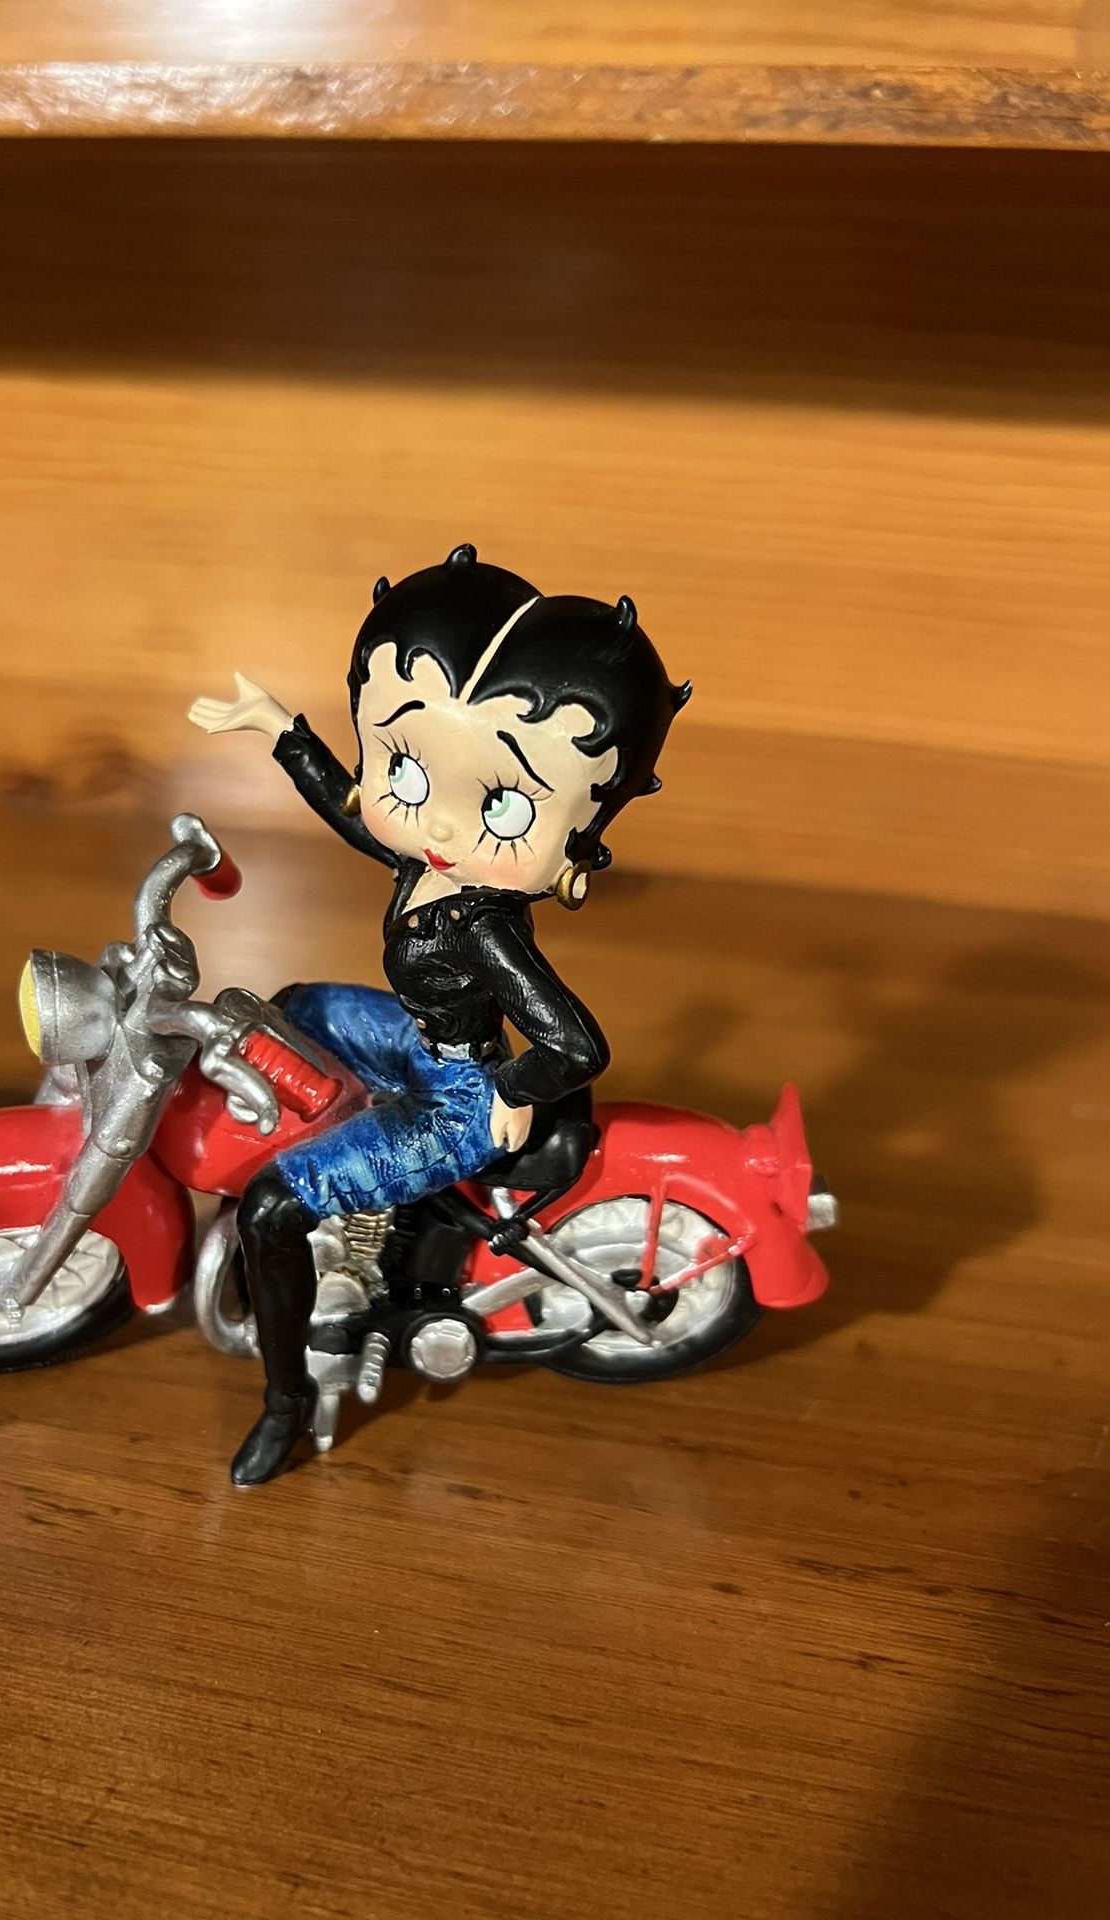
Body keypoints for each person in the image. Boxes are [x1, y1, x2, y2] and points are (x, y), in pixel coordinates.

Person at [189, 544, 689, 1483]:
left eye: (504, 805)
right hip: (420, 1046)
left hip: (458, 1098)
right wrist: (282, 730)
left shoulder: (485, 925)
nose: (443, 825)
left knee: (272, 1208)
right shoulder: (428, 869)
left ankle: (285, 1398)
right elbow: (355, 813)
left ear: (579, 836)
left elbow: (576, 1044)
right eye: (411, 774)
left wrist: (509, 1090)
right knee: (283, 1010)